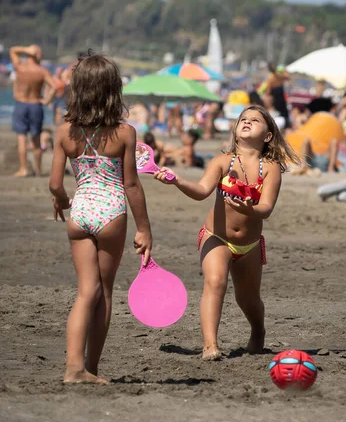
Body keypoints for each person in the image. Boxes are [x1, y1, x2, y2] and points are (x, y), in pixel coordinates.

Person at [154, 105, 300, 361]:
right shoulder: (222, 161)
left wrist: (250, 209)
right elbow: (201, 191)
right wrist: (177, 181)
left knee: (248, 299)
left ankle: (258, 330)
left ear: (267, 136)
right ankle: (210, 345)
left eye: (255, 120)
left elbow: (265, 209)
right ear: (235, 129)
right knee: (215, 282)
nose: (247, 122)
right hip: (216, 237)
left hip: (249, 245)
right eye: (243, 119)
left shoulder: (271, 168)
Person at [49, 52, 152, 384]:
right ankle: (91, 368)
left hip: (80, 214)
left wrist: (61, 201)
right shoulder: (124, 133)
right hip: (111, 213)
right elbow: (132, 184)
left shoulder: (65, 132)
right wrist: (145, 229)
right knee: (104, 291)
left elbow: (54, 184)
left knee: (84, 293)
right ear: (113, 91)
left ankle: (72, 367)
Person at [10, 44, 57, 177]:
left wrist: (25, 50)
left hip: (21, 104)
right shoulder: (41, 71)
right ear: (36, 55)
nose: (41, 55)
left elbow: (13, 50)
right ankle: (37, 170)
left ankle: (24, 169)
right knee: (36, 140)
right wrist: (47, 100)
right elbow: (54, 86)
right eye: (40, 53)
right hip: (36, 105)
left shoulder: (20, 67)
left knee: (22, 138)